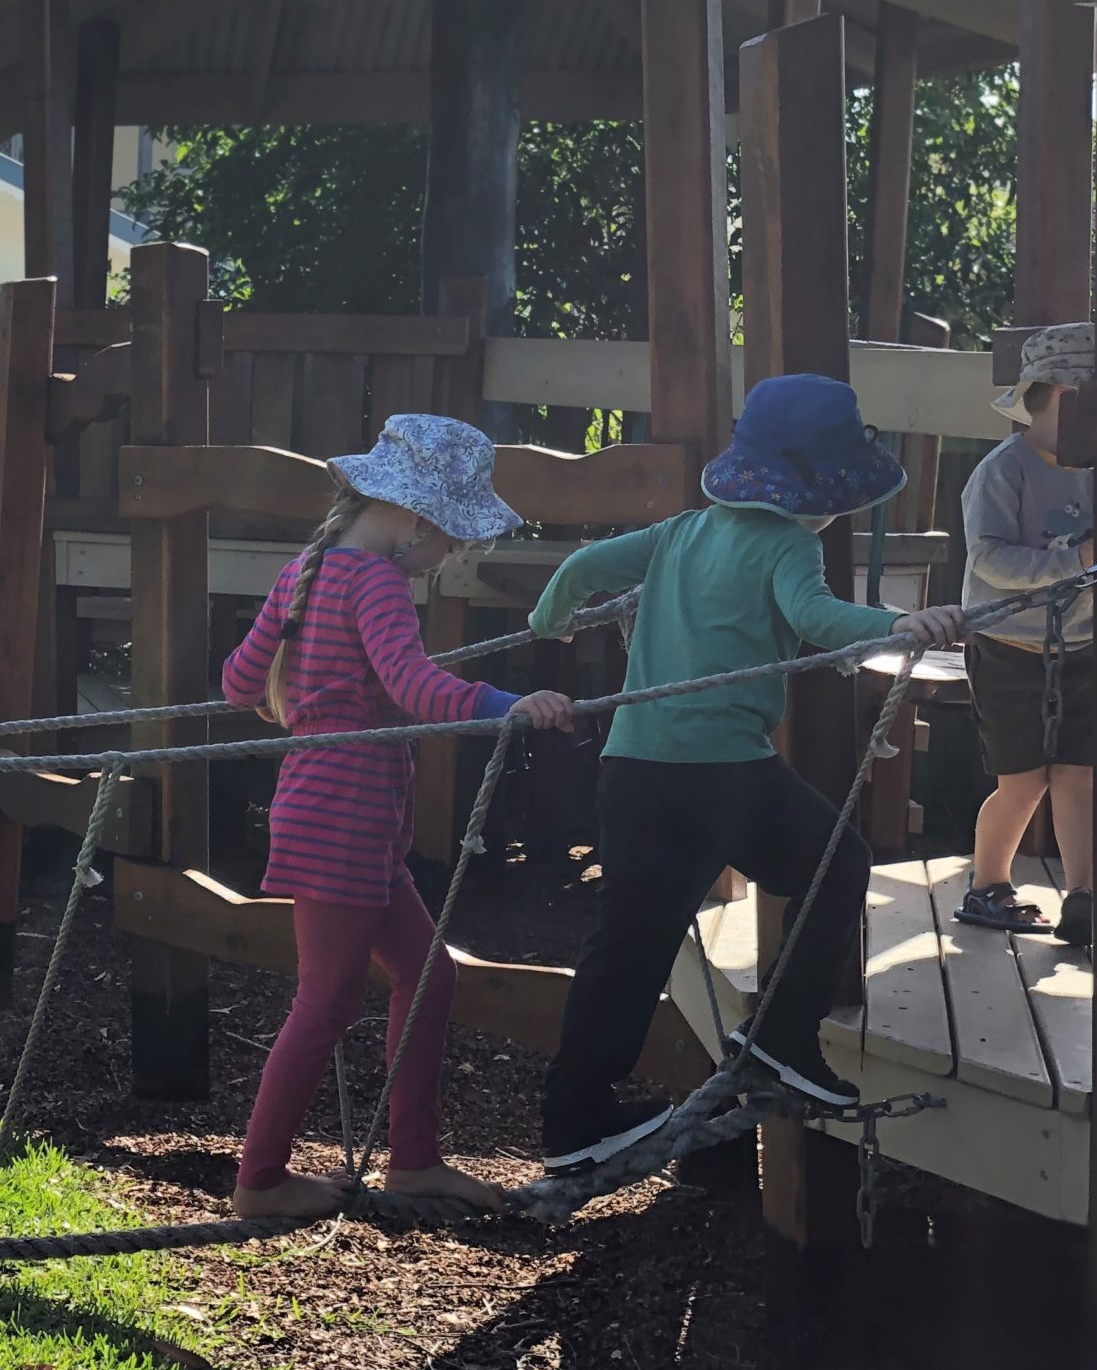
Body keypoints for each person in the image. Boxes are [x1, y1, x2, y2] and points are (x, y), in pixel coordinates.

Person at [528, 376, 966, 1173]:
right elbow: (818, 621)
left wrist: (548, 620)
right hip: (722, 774)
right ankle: (779, 1038)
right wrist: (902, 625)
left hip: (632, 769)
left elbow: (585, 564)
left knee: (629, 943)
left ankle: (573, 1115)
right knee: (838, 866)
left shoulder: (680, 532)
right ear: (818, 491)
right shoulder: (789, 544)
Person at [220, 415, 576, 1220]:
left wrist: (298, 658)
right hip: (343, 813)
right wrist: (511, 706)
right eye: (450, 541)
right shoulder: (375, 580)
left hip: (336, 810)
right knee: (329, 999)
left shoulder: (307, 570)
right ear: (417, 519)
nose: (446, 559)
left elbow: (239, 686)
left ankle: (414, 1161)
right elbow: (415, 688)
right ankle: (260, 1179)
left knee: (427, 976)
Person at [956, 322, 1097, 947]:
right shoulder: (1001, 471)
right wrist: (1077, 562)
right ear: (1059, 398)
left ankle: (1085, 898)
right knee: (1022, 779)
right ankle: (988, 884)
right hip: (1008, 647)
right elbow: (990, 560)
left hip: (1085, 647)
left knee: (1078, 774)